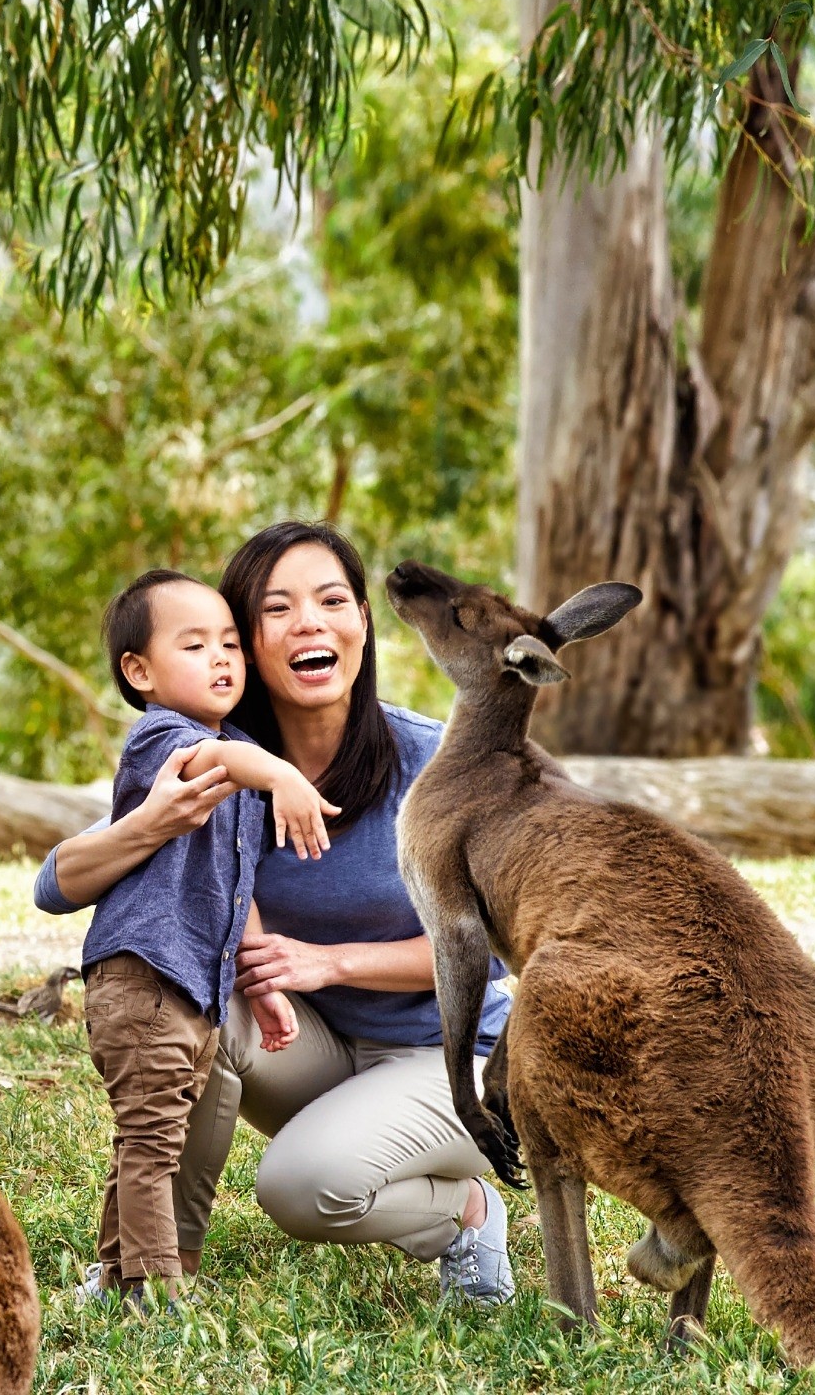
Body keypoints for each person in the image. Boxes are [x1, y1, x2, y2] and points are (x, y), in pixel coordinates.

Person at [37, 522, 516, 1305]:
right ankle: (151, 1272)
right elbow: (56, 884)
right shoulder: (217, 757)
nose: (311, 624)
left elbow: (495, 950)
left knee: (301, 1187)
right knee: (190, 996)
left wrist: (328, 963)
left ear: (362, 621)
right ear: (246, 643)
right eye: (277, 609)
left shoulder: (436, 762)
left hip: (454, 1062)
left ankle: (465, 1212)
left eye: (332, 601)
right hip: (313, 1052)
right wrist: (151, 824)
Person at [42, 569, 336, 1305]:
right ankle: (155, 1289)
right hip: (145, 982)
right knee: (151, 1147)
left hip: (189, 990)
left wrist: (260, 992)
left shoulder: (231, 744)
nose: (222, 658)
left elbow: (235, 895)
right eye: (196, 644)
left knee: (147, 1138)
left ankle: (114, 1281)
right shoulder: (164, 741)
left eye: (231, 643)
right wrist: (282, 777)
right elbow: (221, 765)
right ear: (138, 672)